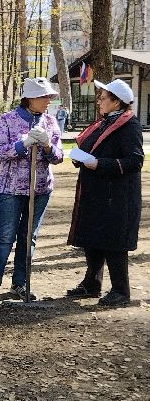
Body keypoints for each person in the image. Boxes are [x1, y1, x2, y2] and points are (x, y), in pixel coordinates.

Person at [0, 77, 64, 303]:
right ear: (30, 98)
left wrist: (47, 146)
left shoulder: (50, 122)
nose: (48, 100)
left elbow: (58, 157)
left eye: (49, 96)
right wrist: (22, 144)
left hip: (40, 189)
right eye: (44, 96)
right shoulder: (8, 120)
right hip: (11, 190)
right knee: (5, 237)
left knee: (28, 238)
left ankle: (20, 283)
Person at [66, 79, 144, 307]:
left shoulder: (129, 125)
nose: (98, 102)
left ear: (116, 102)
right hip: (96, 192)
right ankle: (92, 283)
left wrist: (99, 164)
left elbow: (135, 161)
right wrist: (80, 158)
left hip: (116, 196)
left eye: (102, 98)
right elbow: (90, 148)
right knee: (93, 239)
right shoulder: (104, 123)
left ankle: (121, 291)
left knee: (114, 242)